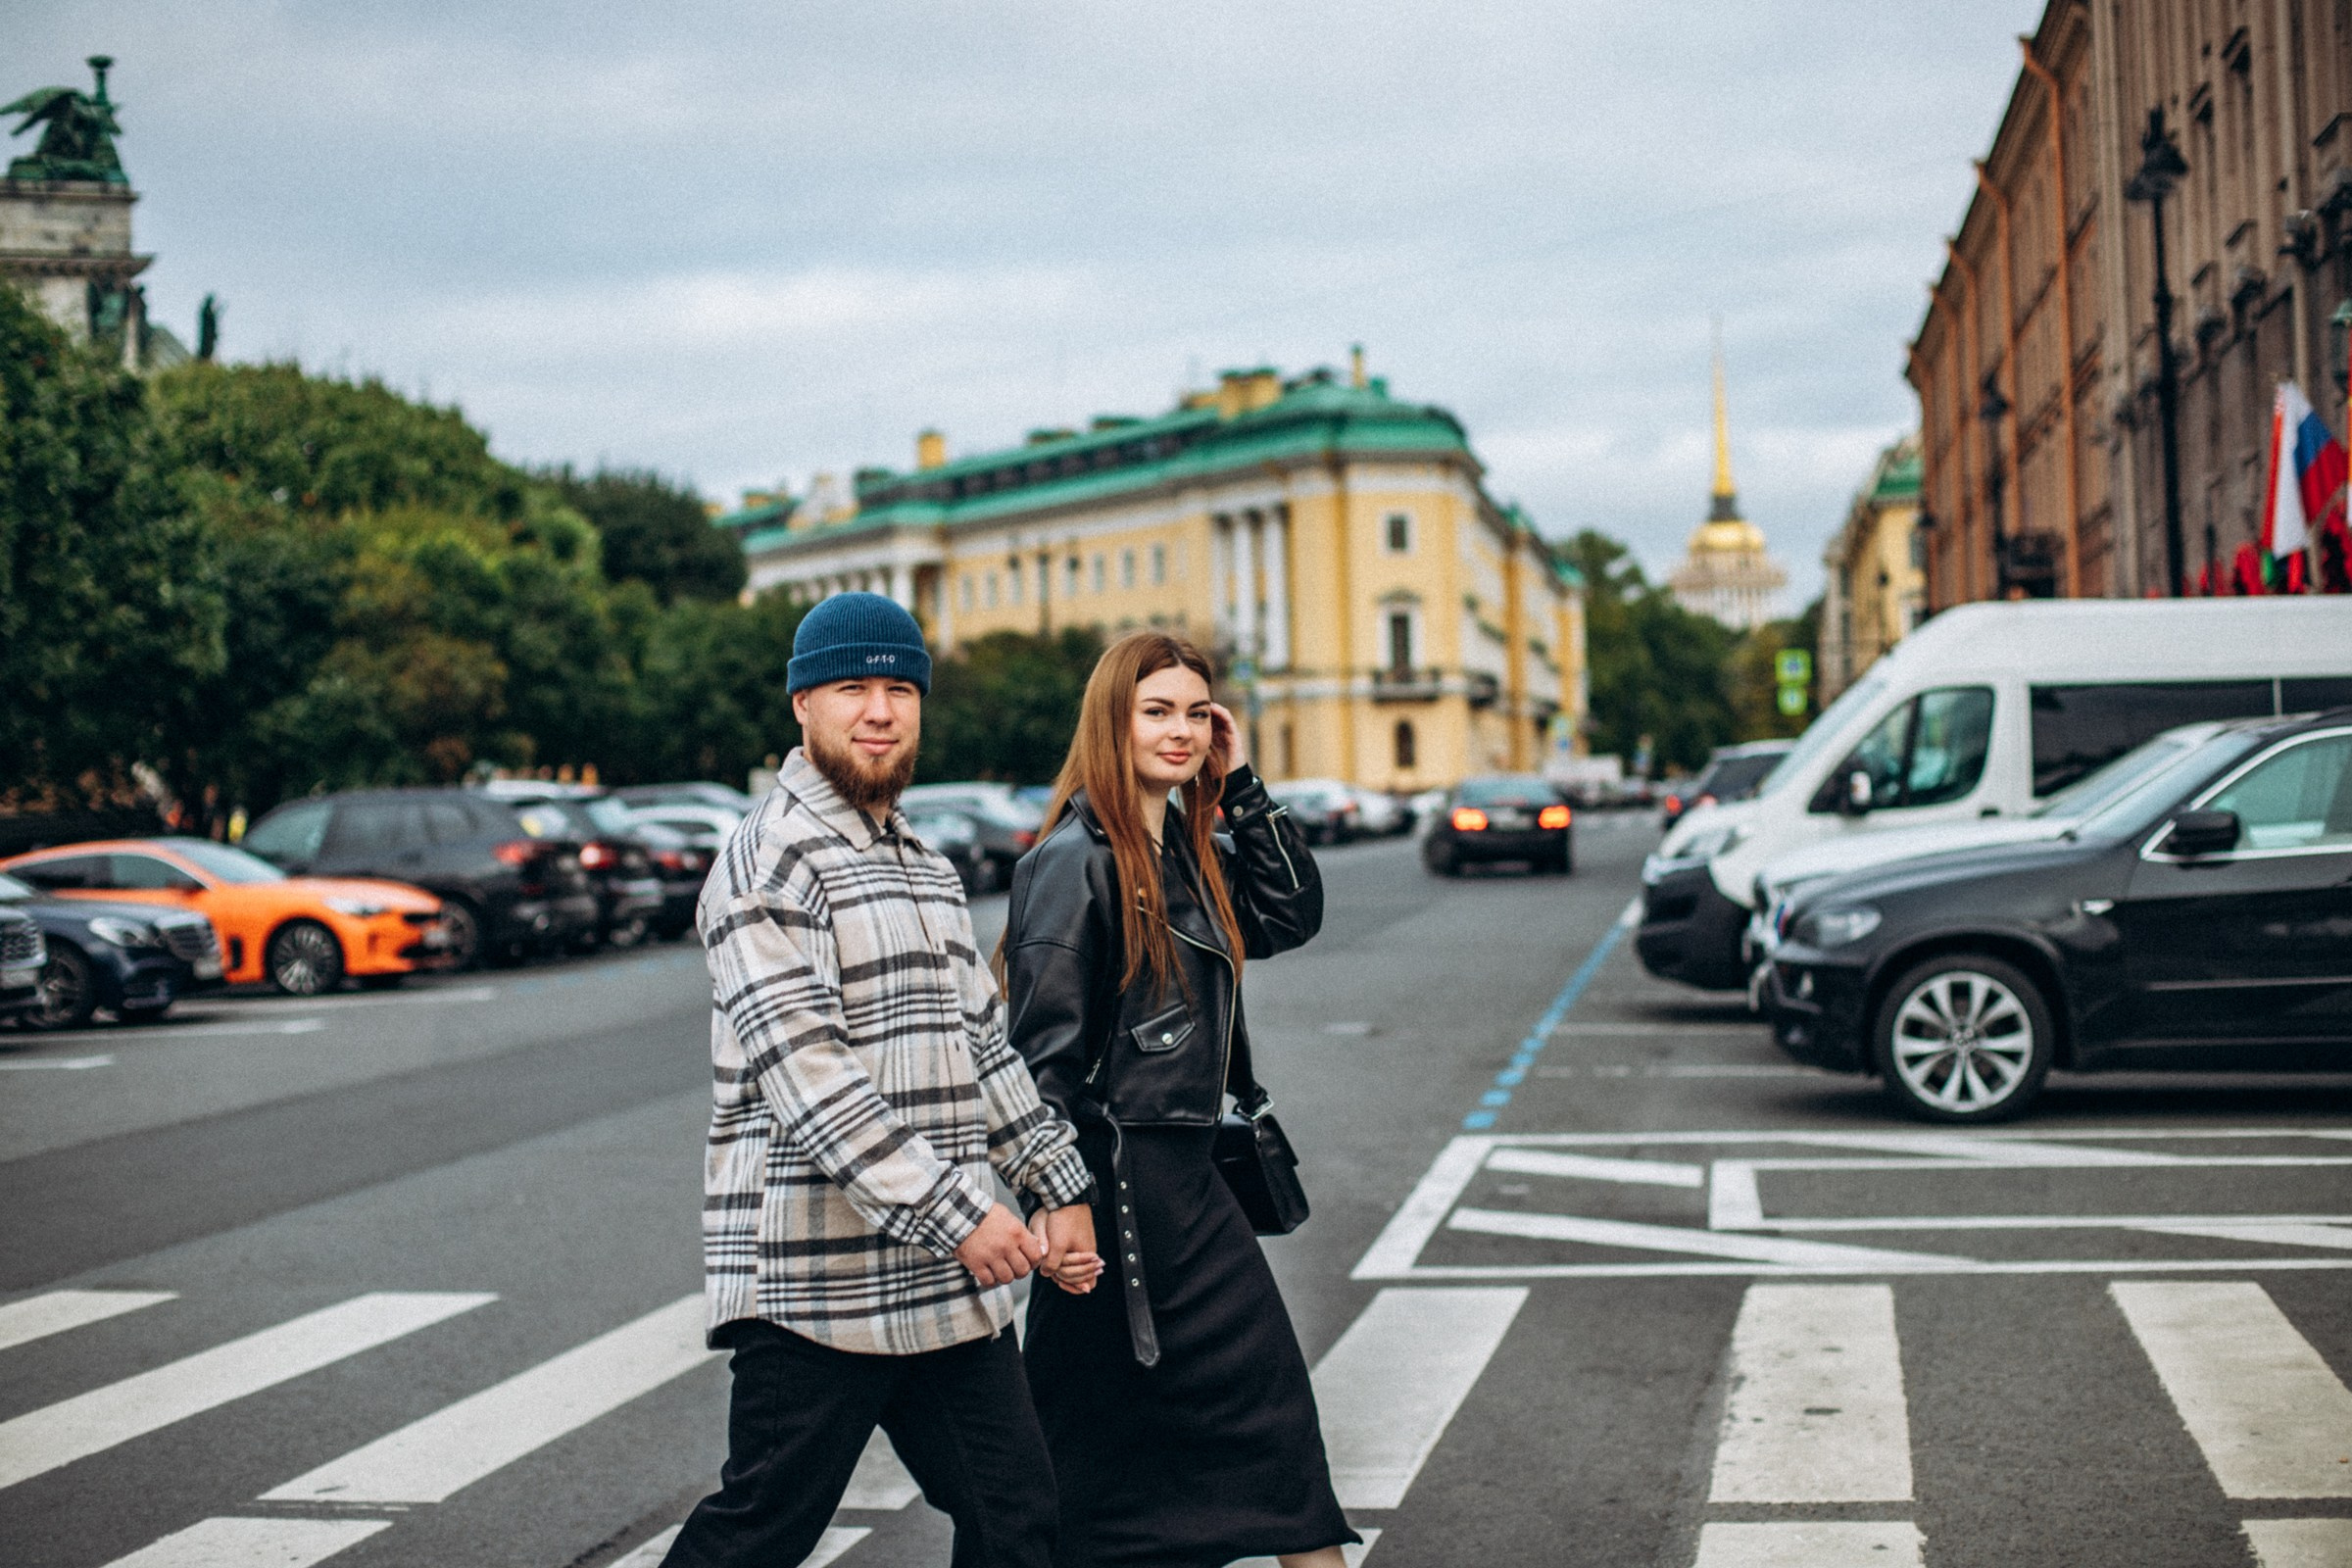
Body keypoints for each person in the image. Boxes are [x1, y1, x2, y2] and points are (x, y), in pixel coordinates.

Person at [664, 593, 1103, 1568]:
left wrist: (1054, 1184)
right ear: (802, 705)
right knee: (759, 1532)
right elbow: (811, 1083)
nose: (879, 710)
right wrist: (964, 1215)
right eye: (851, 688)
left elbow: (982, 1046)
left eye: (900, 689)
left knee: (1020, 1518)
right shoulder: (767, 861)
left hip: (940, 1281)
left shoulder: (923, 864)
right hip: (815, 1282)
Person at [1001, 630, 1357, 1568]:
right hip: (1116, 1193)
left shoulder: (1195, 850)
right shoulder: (1071, 862)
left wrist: (1243, 788)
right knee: (1086, 1461)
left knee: (1272, 1427)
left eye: (1197, 713)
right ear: (1110, 724)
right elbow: (1041, 1059)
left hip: (1191, 1186)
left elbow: (1291, 916)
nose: (1182, 731)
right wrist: (1055, 1196)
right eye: (1156, 711)